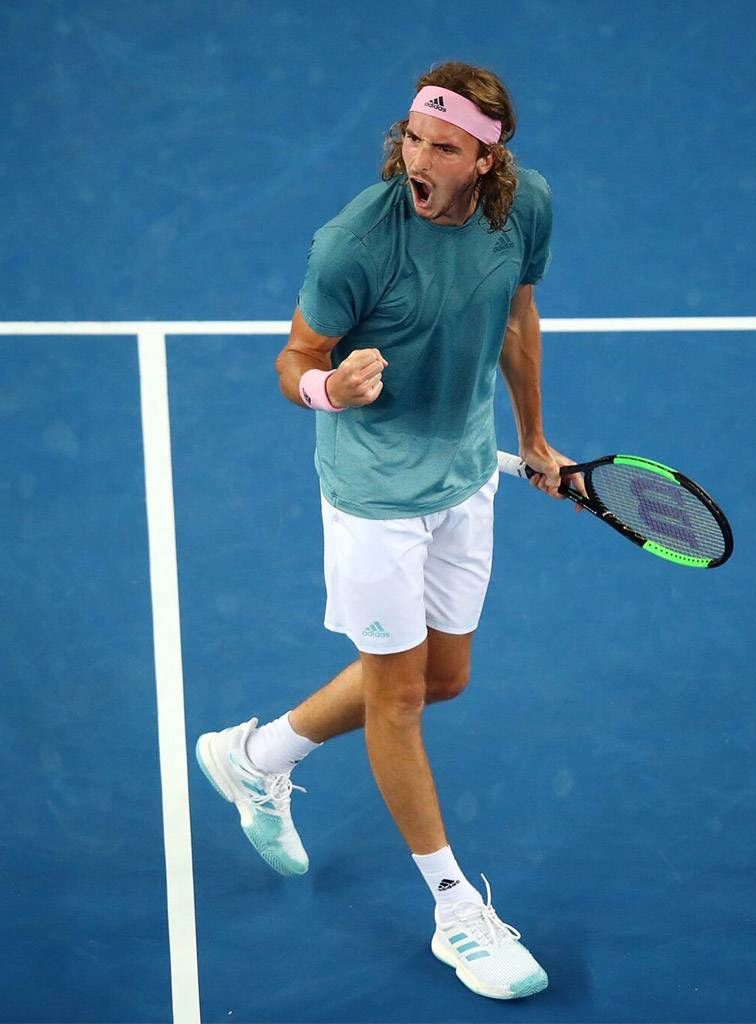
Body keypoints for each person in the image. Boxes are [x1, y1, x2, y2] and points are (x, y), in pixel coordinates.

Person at [196, 60, 577, 1002]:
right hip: (372, 497)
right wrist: (330, 388)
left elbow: (518, 318)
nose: (418, 159)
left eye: (443, 147)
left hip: (465, 475)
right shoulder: (355, 244)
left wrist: (533, 438)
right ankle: (456, 910)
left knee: (442, 677)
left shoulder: (526, 207)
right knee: (399, 699)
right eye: (413, 138)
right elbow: (294, 359)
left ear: (487, 162)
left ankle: (255, 758)